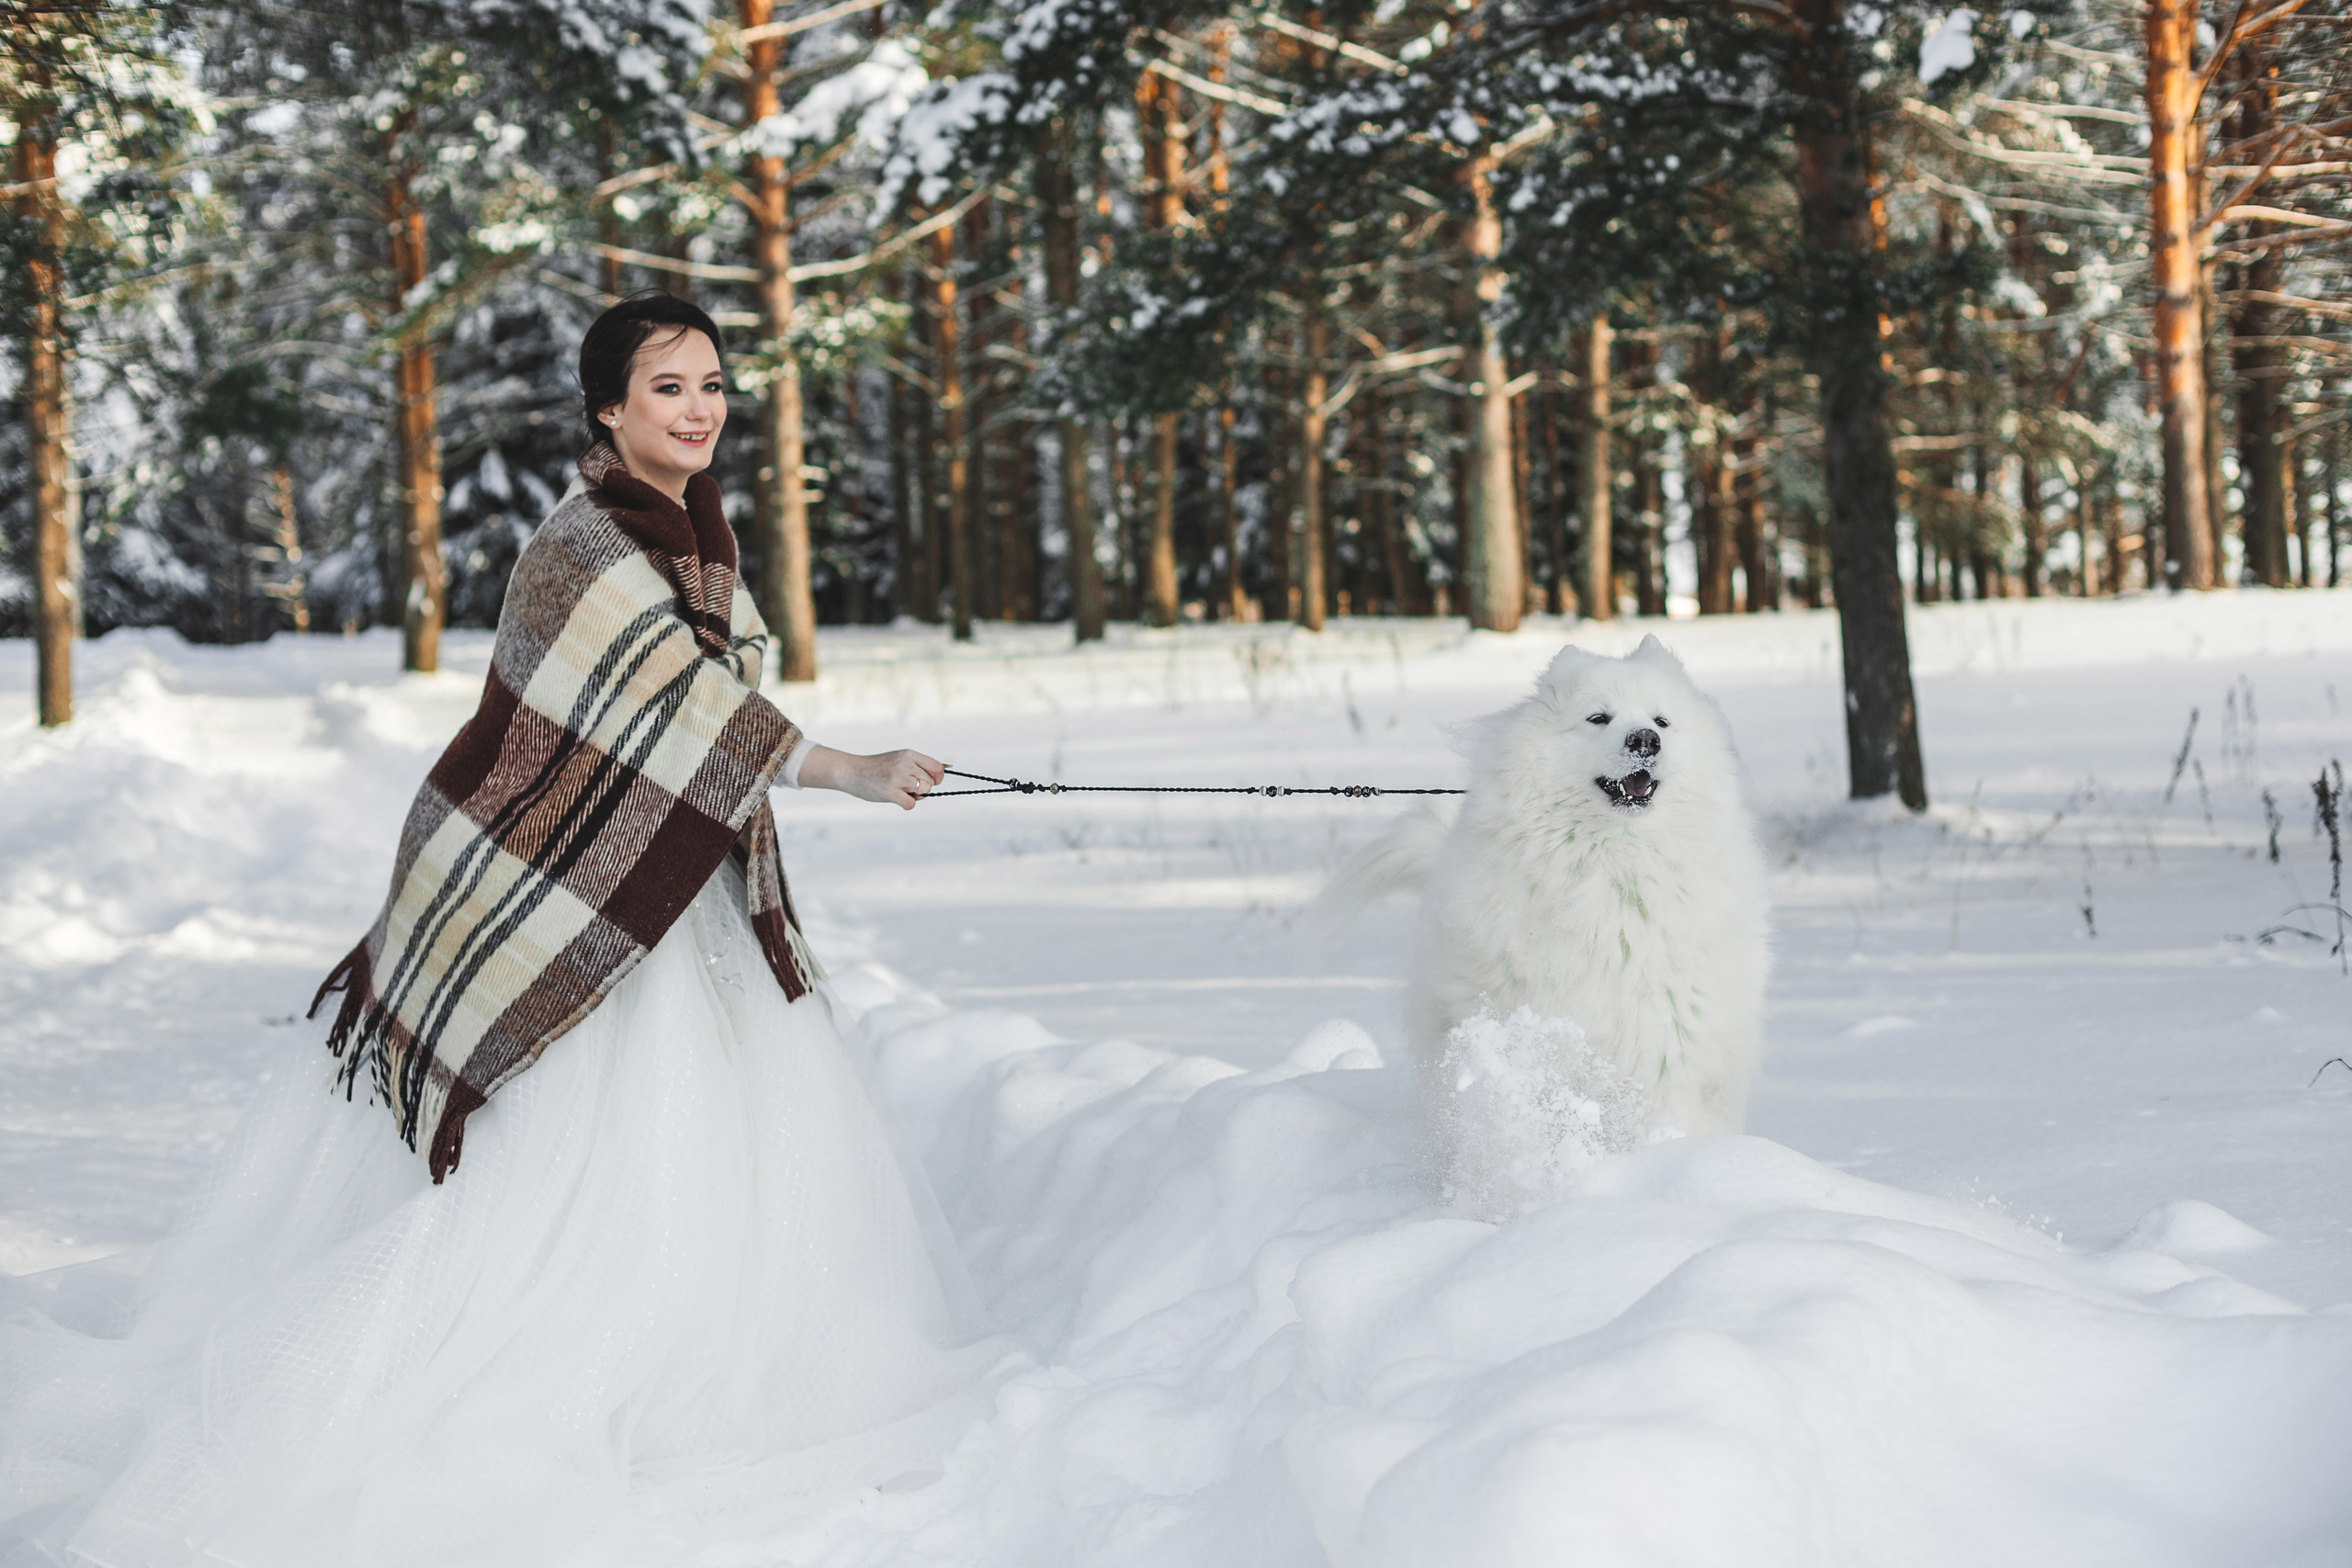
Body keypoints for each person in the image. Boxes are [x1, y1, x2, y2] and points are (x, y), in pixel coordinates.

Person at [0, 293, 1003, 1568]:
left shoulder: (700, 531)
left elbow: (708, 693)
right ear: (608, 410)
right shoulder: (581, 546)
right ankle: (540, 1384)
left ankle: (697, 1380)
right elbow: (681, 707)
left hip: (666, 885)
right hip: (558, 891)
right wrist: (844, 768)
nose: (699, 409)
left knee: (709, 1154)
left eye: (711, 385)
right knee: (559, 1175)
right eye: (668, 388)